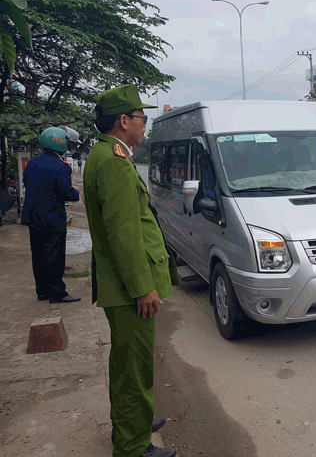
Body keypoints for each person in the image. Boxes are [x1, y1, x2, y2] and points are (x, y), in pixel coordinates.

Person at [83, 84, 176, 457]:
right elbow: (125, 233)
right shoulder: (114, 162)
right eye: (141, 117)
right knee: (132, 365)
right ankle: (133, 446)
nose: (144, 123)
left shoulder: (110, 155)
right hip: (128, 288)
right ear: (123, 121)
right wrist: (142, 287)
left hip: (122, 284)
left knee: (129, 361)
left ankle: (134, 420)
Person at [21, 127, 81, 303]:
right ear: (61, 144)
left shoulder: (33, 162)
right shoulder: (61, 167)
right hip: (52, 218)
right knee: (54, 256)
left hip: (33, 216)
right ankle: (57, 293)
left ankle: (42, 291)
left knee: (38, 255)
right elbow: (65, 192)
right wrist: (75, 192)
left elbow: (28, 183)